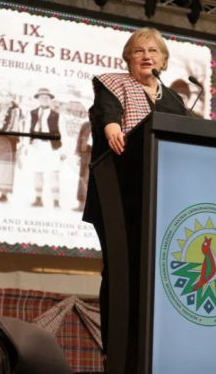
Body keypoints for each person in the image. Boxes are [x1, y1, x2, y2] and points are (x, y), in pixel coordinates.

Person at [81, 27, 188, 355]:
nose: (146, 56)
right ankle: (119, 354)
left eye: (153, 51)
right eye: (139, 51)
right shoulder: (113, 84)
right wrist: (113, 126)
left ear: (163, 61)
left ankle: (155, 350)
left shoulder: (174, 100)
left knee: (157, 276)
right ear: (128, 58)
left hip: (164, 201)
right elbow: (107, 113)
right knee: (121, 273)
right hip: (120, 196)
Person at [24, 88, 66, 208]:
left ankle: (56, 201)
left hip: (51, 147)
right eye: (41, 97)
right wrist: (26, 145)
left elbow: (63, 134)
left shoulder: (57, 116)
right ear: (38, 99)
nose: (44, 99)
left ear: (50, 99)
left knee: (54, 173)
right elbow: (27, 130)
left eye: (46, 97)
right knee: (38, 172)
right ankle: (38, 199)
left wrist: (63, 151)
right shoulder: (32, 113)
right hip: (37, 145)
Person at [74, 120, 92, 212]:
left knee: (88, 178)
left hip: (96, 153)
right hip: (85, 152)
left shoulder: (104, 125)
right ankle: (81, 204)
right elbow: (80, 139)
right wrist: (78, 153)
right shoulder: (86, 125)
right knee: (82, 178)